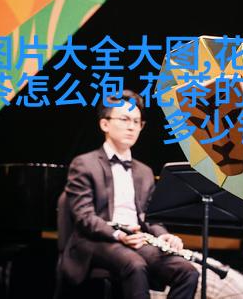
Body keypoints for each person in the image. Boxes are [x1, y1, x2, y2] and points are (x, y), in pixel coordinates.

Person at [60, 89, 199, 299]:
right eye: (124, 119)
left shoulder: (144, 172)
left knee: (187, 272)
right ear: (104, 124)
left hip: (136, 240)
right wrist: (119, 234)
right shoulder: (84, 164)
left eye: (137, 122)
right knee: (135, 265)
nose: (132, 126)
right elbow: (84, 218)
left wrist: (163, 236)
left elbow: (150, 217)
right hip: (96, 240)